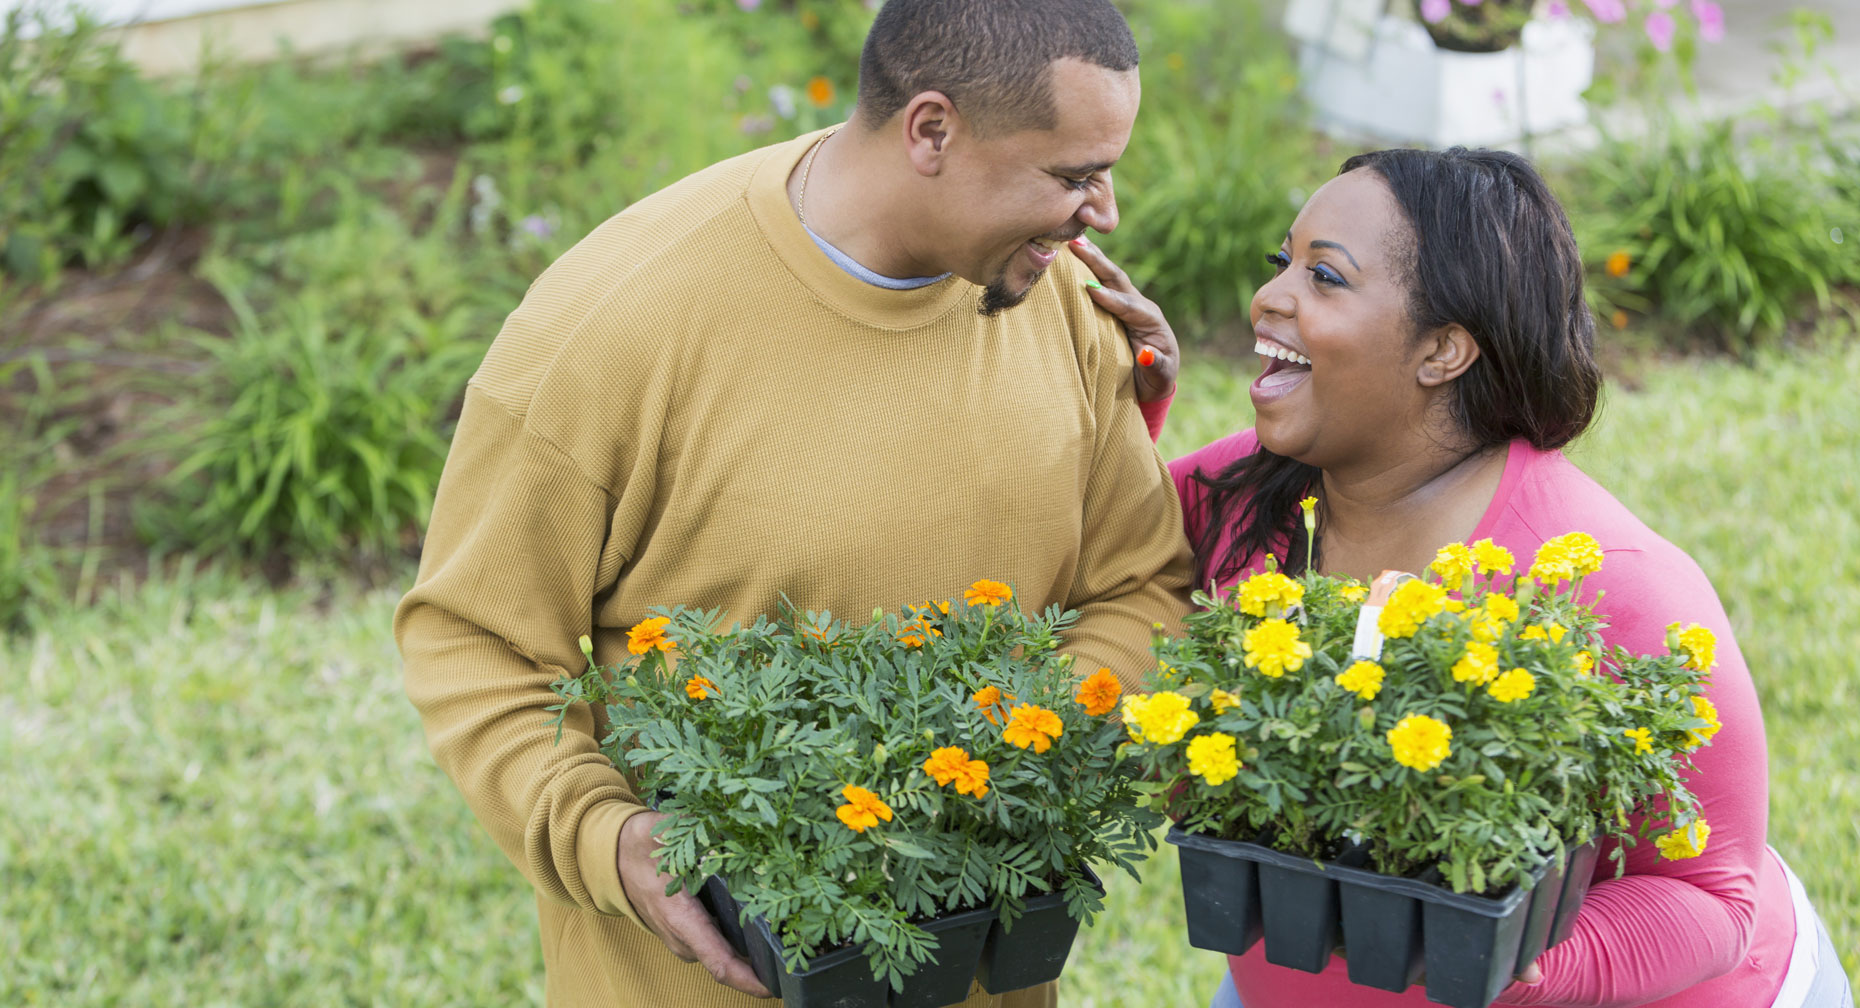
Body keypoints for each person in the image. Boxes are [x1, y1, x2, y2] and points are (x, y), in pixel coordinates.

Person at [392, 2, 1193, 1006]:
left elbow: (1140, 580)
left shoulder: (1054, 296)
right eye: (1073, 176)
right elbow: (477, 643)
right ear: (932, 130)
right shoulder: (611, 326)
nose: (1105, 212)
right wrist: (613, 839)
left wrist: (1015, 746)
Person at [1094, 147, 1851, 1006]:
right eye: (1284, 264)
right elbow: (1119, 563)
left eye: (1326, 278)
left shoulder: (1613, 586)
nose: (1270, 296)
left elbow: (1710, 896)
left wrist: (1509, 967)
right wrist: (1130, 410)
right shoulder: (1242, 492)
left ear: (1444, 350)